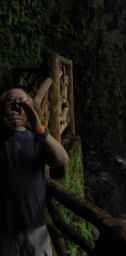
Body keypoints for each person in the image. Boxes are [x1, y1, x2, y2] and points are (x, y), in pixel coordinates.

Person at [0, 88, 70, 256]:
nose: (17, 106)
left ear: (31, 107)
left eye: (22, 101)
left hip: (36, 226)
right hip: (4, 229)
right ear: (3, 107)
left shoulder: (38, 138)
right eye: (11, 101)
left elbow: (62, 160)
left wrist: (39, 128)